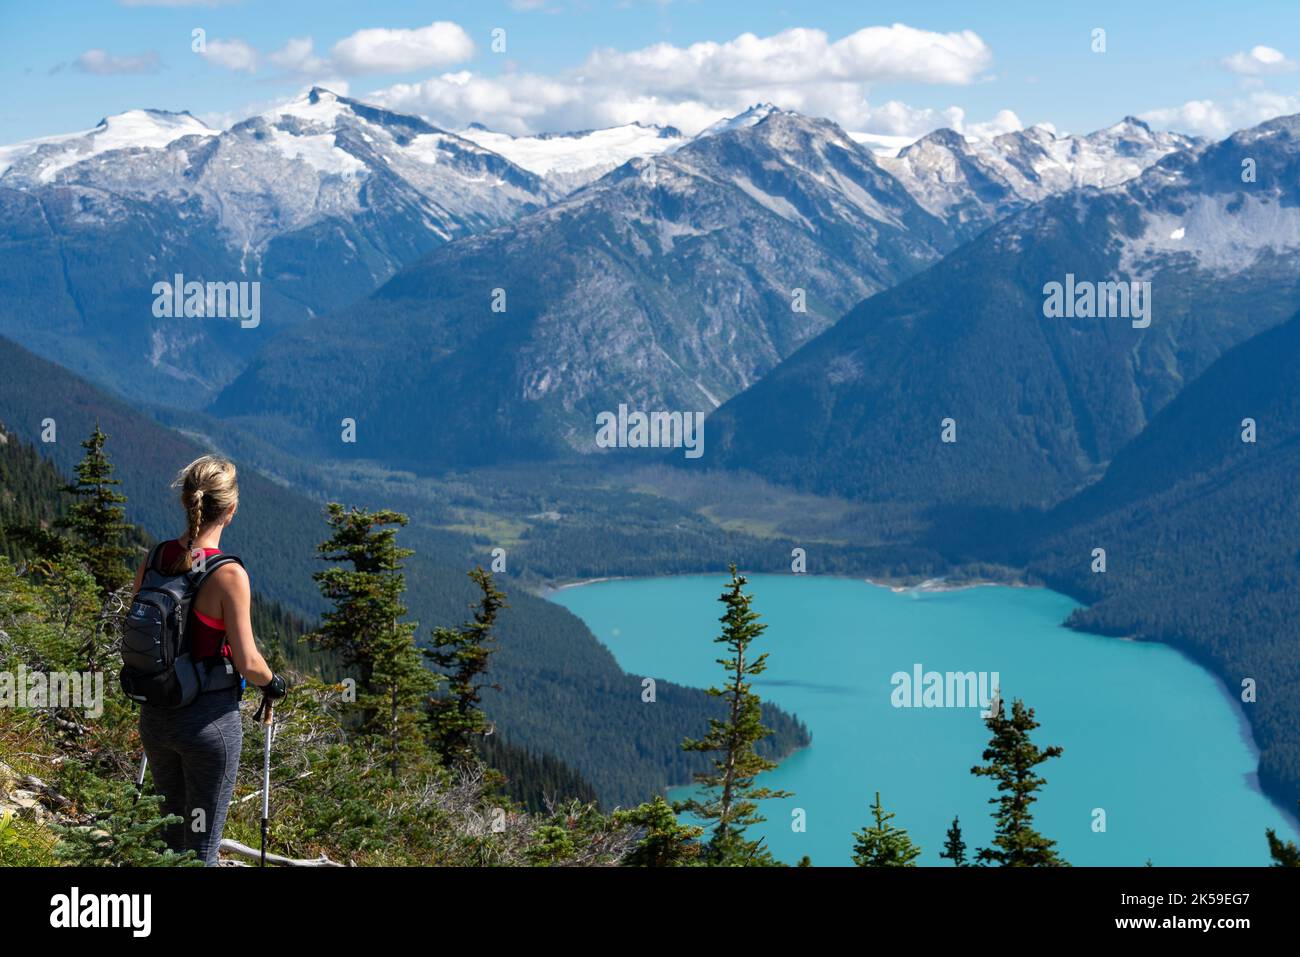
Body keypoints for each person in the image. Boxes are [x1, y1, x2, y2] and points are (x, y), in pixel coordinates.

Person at [132, 454, 286, 865]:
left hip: (156, 719)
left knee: (168, 840)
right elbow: (248, 660)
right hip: (208, 726)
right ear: (231, 510)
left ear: (187, 502)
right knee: (201, 849)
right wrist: (274, 683)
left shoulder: (155, 559)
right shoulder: (226, 574)